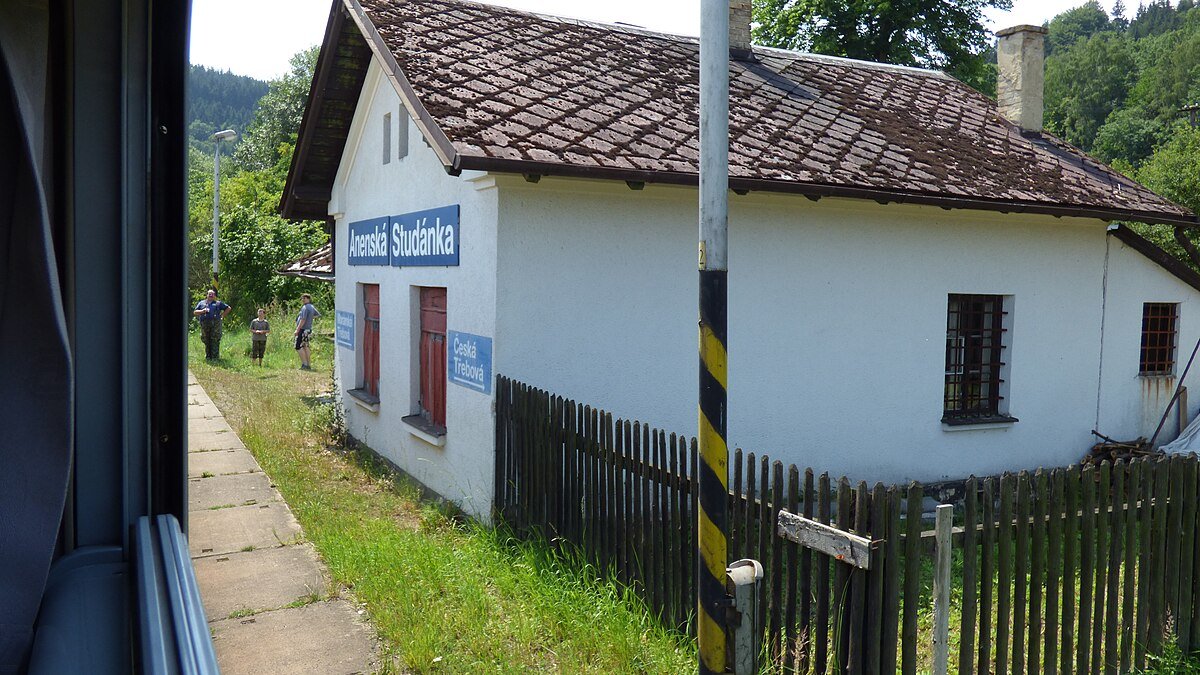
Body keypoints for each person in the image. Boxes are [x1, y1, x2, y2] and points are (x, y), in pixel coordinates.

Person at [193, 289, 231, 360]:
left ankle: (215, 357)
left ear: (214, 296)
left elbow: (228, 308)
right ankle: (208, 356)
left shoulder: (218, 303)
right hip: (204, 324)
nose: (210, 295)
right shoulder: (201, 303)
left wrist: (222, 316)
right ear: (207, 295)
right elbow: (195, 312)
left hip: (215, 324)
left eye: (212, 294)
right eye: (209, 294)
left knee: (215, 339)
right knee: (206, 339)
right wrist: (202, 311)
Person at [294, 293, 321, 370]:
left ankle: (304, 364)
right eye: (302, 298)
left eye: (304, 298)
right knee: (306, 346)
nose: (303, 300)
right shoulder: (312, 307)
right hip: (308, 329)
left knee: (298, 346)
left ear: (308, 299)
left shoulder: (305, 307)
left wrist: (297, 329)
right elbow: (318, 315)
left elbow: (303, 320)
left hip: (303, 329)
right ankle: (308, 364)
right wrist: (311, 318)